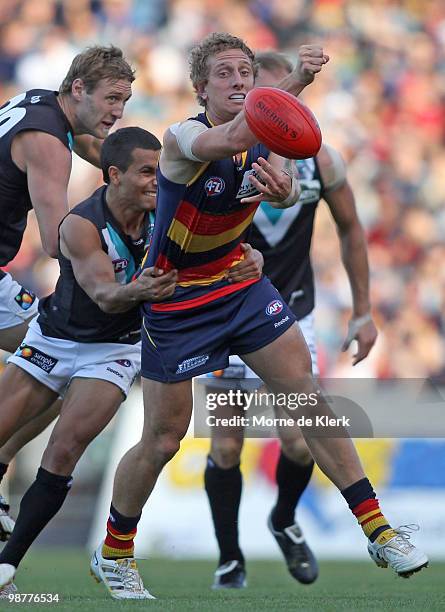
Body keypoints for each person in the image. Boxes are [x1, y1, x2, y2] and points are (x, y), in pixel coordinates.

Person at [91, 32, 427, 601]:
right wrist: (299, 82)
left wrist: (286, 190)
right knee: (164, 438)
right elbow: (244, 132)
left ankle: (378, 528)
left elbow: (285, 184)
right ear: (201, 87)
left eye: (245, 71)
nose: (237, 80)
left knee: (308, 404)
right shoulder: (186, 136)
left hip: (242, 288)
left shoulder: (263, 137)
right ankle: (115, 550)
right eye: (223, 73)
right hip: (177, 300)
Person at [202, 50, 378, 589]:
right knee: (226, 445)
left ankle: (283, 519)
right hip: (226, 313)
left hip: (292, 314)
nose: (281, 112)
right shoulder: (223, 153)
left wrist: (364, 311)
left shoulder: (319, 159)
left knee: (301, 440)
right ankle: (230, 557)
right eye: (269, 101)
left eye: (288, 100)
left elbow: (350, 229)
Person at [0, 127, 177, 598]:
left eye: (159, 171)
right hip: (53, 339)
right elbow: (104, 294)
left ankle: (4, 567)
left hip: (114, 351)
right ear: (114, 175)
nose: (156, 181)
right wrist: (138, 290)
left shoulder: (168, 217)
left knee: (63, 452)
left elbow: (217, 246)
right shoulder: (80, 224)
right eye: (145, 172)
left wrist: (250, 255)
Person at [0, 45, 135, 540]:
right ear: (78, 89)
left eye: (125, 101)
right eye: (112, 98)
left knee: (55, 360)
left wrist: (146, 174)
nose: (118, 112)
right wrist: (117, 239)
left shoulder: (39, 102)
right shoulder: (47, 142)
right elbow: (57, 239)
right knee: (59, 357)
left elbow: (99, 149)